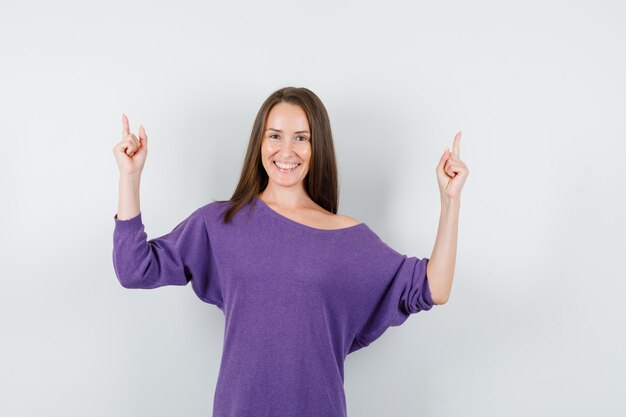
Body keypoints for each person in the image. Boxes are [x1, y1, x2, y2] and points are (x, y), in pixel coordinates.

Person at [111, 86, 468, 417]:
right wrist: (130, 176)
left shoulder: (346, 236)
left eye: (301, 138)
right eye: (275, 136)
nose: (286, 151)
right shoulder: (219, 223)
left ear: (317, 148)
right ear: (259, 143)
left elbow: (434, 287)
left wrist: (450, 201)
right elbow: (134, 268)